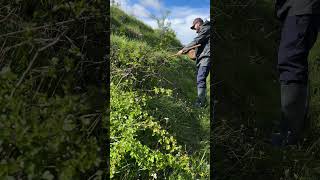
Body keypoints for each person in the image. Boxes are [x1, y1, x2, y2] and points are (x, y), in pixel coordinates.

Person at [272, 0, 320, 146]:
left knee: (291, 60)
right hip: (298, 8)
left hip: (301, 6)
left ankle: (290, 135)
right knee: (293, 61)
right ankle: (296, 128)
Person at [177, 18, 211, 108]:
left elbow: (196, 41)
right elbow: (200, 47)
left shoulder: (206, 29)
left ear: (198, 24)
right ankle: (204, 102)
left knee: (200, 79)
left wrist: (183, 49)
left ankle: (200, 103)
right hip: (203, 58)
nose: (195, 29)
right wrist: (191, 53)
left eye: (194, 27)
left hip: (206, 58)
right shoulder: (205, 32)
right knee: (200, 78)